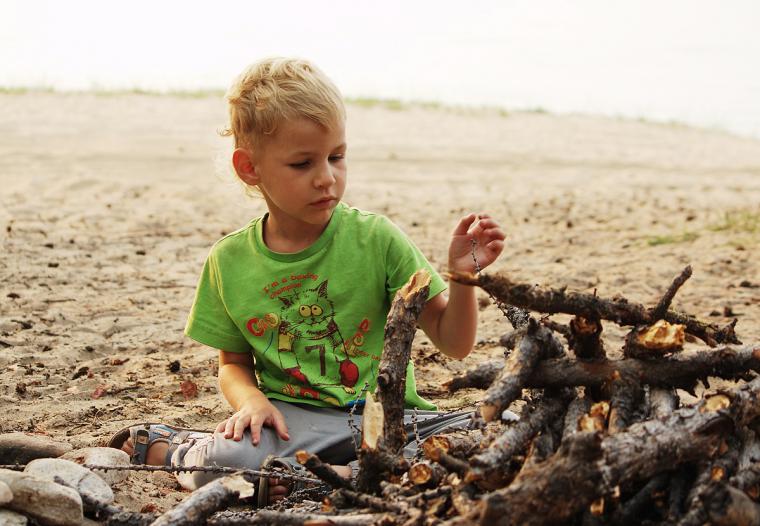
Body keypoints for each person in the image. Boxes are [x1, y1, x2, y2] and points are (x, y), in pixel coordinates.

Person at [109, 57, 505, 504]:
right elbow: (232, 366)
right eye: (302, 164)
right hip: (290, 422)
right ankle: (177, 448)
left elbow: (455, 343)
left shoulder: (377, 239)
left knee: (485, 435)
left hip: (391, 421)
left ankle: (314, 479)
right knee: (227, 459)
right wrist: (252, 403)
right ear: (250, 168)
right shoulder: (230, 260)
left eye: (337, 157)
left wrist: (463, 277)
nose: (327, 178)